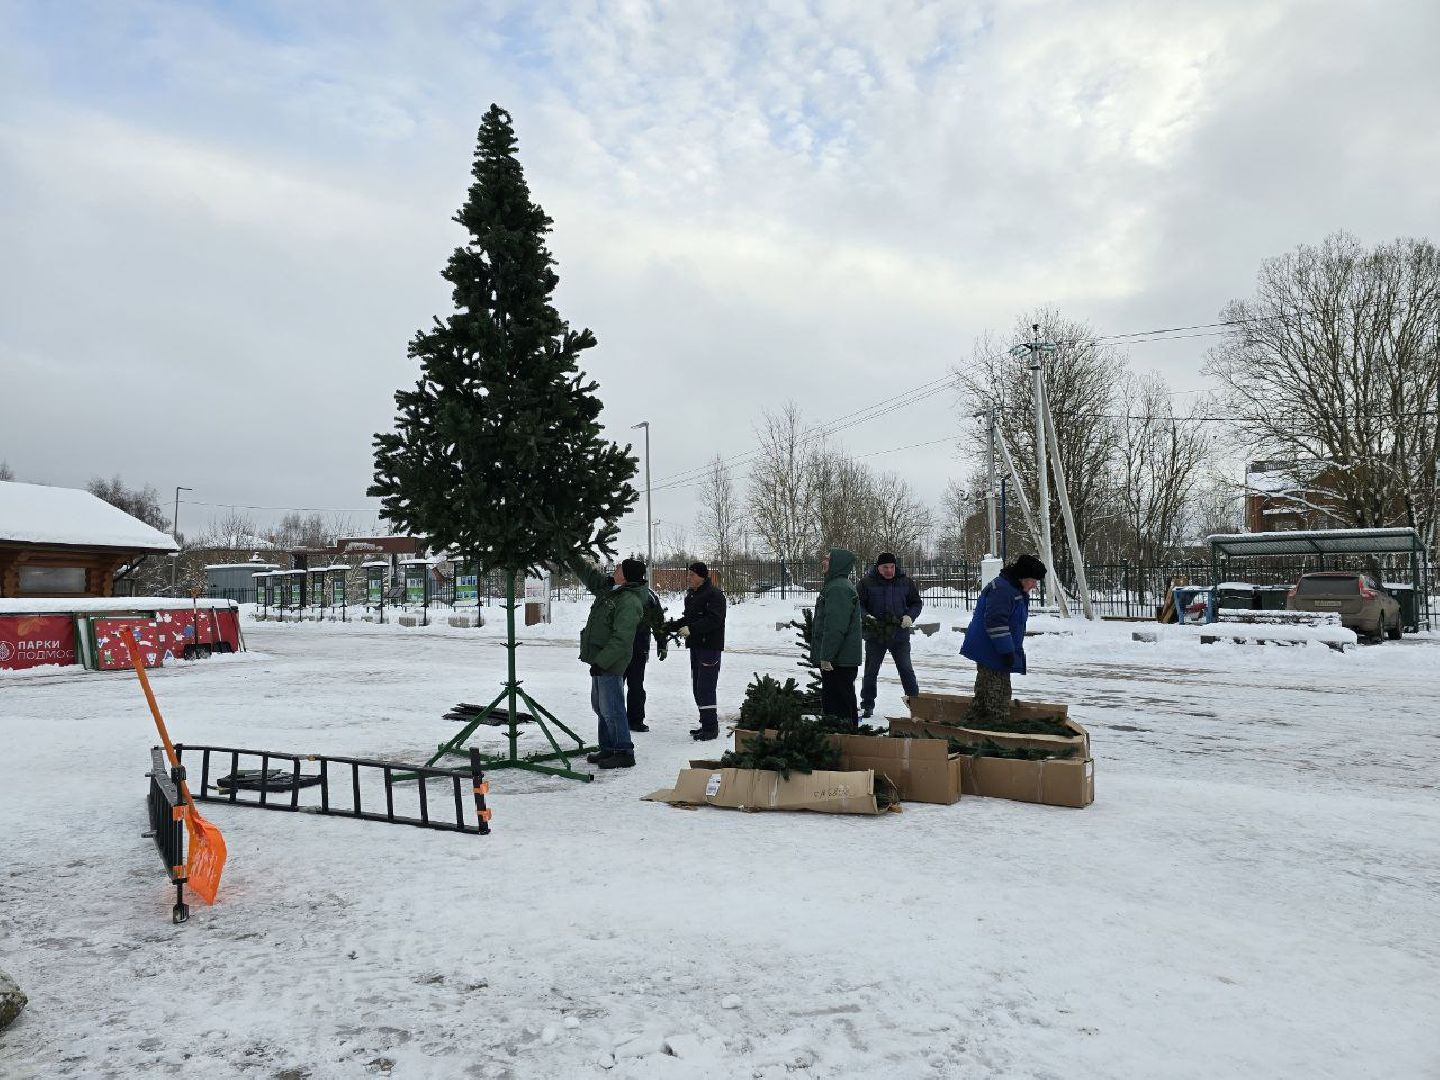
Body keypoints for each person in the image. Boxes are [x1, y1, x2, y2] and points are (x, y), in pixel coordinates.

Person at [573, 556, 649, 768]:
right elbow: (590, 576)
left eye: (618, 568)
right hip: (600, 661)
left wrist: (603, 661)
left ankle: (623, 751)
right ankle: (607, 747)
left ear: (625, 576)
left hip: (610, 663)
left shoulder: (629, 601)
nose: (614, 570)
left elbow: (622, 638)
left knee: (613, 708)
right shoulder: (614, 591)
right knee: (601, 707)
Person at [960, 554, 1046, 725]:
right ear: (1022, 576)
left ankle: (973, 725)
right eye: (1033, 580)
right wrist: (1007, 650)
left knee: (986, 692)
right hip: (991, 650)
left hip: (993, 648)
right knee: (998, 696)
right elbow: (996, 622)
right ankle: (995, 731)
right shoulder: (1003, 590)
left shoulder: (1013, 589)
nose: (1035, 585)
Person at [857, 550, 922, 719]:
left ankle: (917, 706)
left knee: (906, 670)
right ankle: (867, 705)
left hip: (899, 635)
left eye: (892, 566)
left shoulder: (905, 582)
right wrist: (867, 618)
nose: (889, 570)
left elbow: (916, 602)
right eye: (885, 567)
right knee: (871, 672)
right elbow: (858, 605)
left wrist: (910, 616)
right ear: (878, 568)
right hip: (875, 635)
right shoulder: (866, 583)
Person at [667, 561, 727, 740]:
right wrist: (668, 626)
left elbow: (715, 620)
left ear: (702, 576)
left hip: (709, 648)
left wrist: (692, 629)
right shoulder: (692, 596)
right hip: (696, 647)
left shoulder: (714, 595)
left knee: (706, 688)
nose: (689, 577)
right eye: (689, 574)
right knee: (697, 687)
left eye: (692, 575)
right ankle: (705, 724)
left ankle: (711, 728)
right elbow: (688, 619)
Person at [811, 547, 862, 723]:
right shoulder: (836, 586)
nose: (823, 562)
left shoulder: (838, 588)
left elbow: (835, 627)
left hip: (839, 660)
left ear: (837, 564)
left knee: (839, 705)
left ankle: (845, 740)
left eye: (827, 559)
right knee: (841, 701)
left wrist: (826, 656)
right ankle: (844, 738)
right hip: (839, 659)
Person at [624, 568, 667, 733]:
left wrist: (661, 642)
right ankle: (632, 720)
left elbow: (657, 620)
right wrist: (662, 643)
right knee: (634, 684)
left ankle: (629, 719)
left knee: (628, 684)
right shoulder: (647, 594)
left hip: (631, 646)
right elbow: (658, 621)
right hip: (635, 646)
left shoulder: (645, 595)